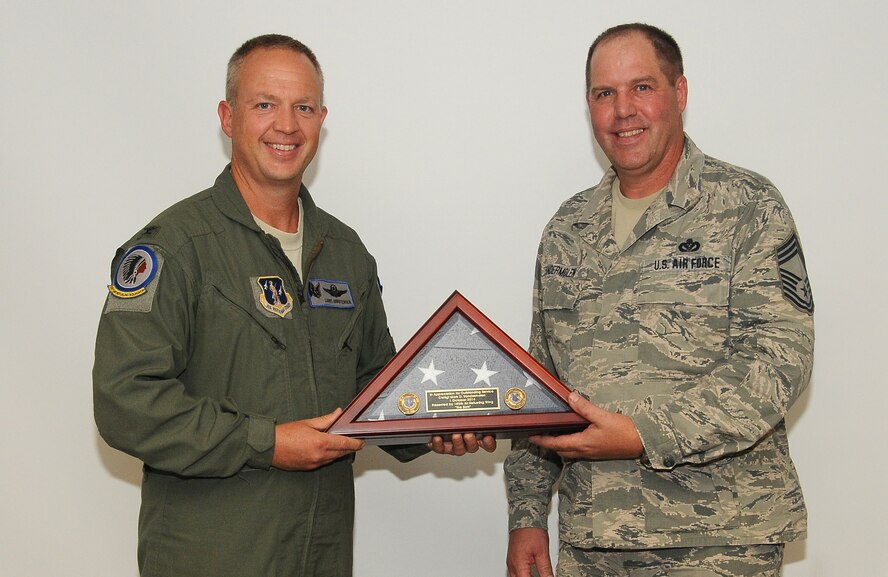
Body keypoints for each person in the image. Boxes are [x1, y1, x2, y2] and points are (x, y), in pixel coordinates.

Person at [93, 34, 493, 577]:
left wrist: (439, 422)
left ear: (321, 120)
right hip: (210, 557)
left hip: (321, 555)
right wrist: (268, 442)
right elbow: (125, 403)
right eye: (265, 105)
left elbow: (376, 388)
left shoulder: (346, 253)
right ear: (227, 117)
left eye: (303, 107)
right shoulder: (174, 248)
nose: (287, 125)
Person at [504, 23, 814, 577]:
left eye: (641, 87)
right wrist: (527, 516)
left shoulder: (748, 206)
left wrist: (641, 433)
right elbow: (542, 383)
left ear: (680, 93)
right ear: (590, 108)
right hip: (593, 542)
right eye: (605, 94)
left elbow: (778, 365)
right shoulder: (567, 229)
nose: (623, 110)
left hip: (718, 543)